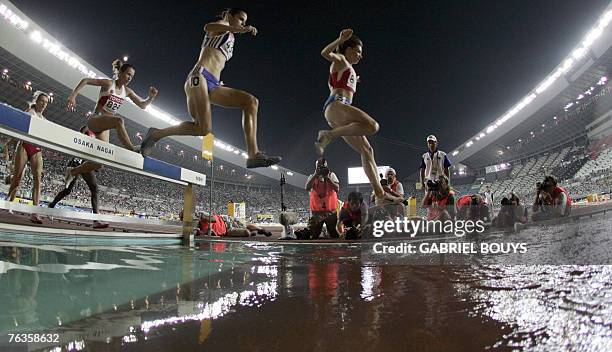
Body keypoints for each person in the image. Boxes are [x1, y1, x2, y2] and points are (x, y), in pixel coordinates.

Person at [140, 8, 280, 169]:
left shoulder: (231, 36)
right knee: (205, 129)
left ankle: (253, 155)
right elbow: (207, 27)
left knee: (251, 102)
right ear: (229, 16)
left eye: (245, 21)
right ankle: (156, 134)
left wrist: (236, 30)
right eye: (241, 19)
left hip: (214, 84)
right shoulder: (222, 25)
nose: (244, 23)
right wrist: (237, 28)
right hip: (199, 77)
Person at [314, 28, 403, 205]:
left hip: (339, 112)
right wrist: (340, 39)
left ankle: (380, 194)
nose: (361, 56)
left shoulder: (350, 69)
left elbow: (344, 79)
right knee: (372, 126)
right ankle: (329, 135)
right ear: (348, 49)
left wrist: (355, 78)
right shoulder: (341, 60)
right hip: (337, 106)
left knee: (367, 150)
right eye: (358, 51)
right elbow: (325, 53)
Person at [64, 59, 158, 186]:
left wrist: (150, 98)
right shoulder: (108, 84)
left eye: (132, 76)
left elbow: (142, 105)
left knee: (100, 162)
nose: (130, 78)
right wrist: (73, 95)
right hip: (96, 119)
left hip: (105, 126)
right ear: (120, 73)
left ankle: (73, 171)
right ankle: (132, 149)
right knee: (119, 121)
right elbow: (86, 80)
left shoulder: (127, 91)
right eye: (128, 74)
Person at [48, 126, 108, 229]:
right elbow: (78, 137)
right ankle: (51, 206)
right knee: (68, 190)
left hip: (87, 162)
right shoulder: (87, 128)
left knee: (95, 189)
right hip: (77, 161)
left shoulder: (100, 135)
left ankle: (96, 220)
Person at [6, 91, 50, 224]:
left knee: (38, 180)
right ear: (36, 101)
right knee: (17, 179)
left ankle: (34, 212)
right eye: (42, 101)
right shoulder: (30, 112)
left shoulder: (45, 120)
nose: (44, 104)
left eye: (46, 103)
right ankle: (7, 202)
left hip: (36, 149)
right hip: (24, 146)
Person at [306, 158, 340, 239]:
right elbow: (307, 188)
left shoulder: (332, 175)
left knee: (333, 233)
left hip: (330, 212)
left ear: (327, 166)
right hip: (316, 212)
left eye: (323, 166)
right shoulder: (312, 177)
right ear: (316, 167)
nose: (321, 168)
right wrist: (315, 175)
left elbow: (337, 188)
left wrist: (327, 178)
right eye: (319, 166)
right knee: (313, 235)